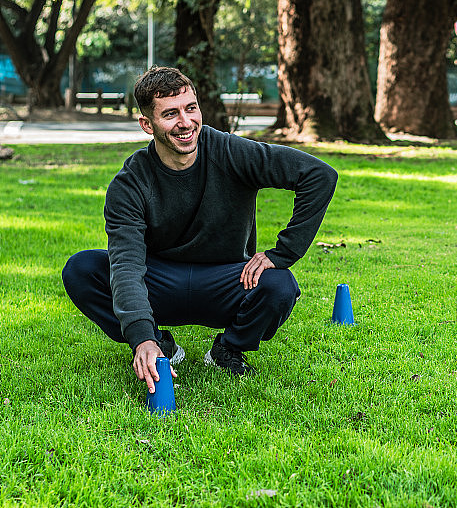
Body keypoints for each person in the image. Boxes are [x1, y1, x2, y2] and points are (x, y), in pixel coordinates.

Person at [62, 66, 337, 394]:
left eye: (190, 108)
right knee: (82, 269)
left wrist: (283, 252)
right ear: (147, 125)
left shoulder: (230, 152)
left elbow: (318, 175)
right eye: (170, 114)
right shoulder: (130, 183)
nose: (185, 122)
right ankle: (159, 346)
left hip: (229, 280)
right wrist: (141, 337)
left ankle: (227, 350)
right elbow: (126, 266)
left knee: (280, 284)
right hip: (159, 282)